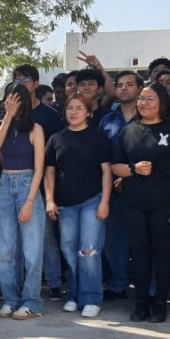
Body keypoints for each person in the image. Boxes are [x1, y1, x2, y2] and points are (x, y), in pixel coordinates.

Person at [112, 82, 170, 323]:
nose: (144, 103)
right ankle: (141, 303)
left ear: (162, 102)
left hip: (167, 203)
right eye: (141, 99)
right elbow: (115, 166)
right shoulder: (128, 130)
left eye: (150, 99)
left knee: (164, 254)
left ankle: (160, 303)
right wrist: (132, 169)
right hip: (134, 202)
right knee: (139, 254)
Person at [44, 94, 111, 318]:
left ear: (88, 112)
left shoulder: (98, 138)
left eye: (79, 108)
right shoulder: (56, 139)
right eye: (70, 108)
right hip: (65, 205)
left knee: (89, 250)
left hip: (93, 201)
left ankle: (92, 297)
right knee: (69, 250)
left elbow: (106, 171)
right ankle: (74, 295)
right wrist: (50, 199)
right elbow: (49, 172)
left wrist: (105, 201)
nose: (73, 112)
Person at [0, 84, 46, 319]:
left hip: (27, 184)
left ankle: (32, 301)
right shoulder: (2, 125)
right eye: (8, 100)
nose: (11, 104)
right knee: (5, 249)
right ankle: (11, 298)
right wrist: (8, 117)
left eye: (16, 100)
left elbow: (40, 168)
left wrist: (30, 202)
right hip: (5, 184)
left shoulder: (36, 129)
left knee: (31, 251)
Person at [12, 65, 64, 301]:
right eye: (16, 79)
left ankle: (53, 282)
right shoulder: (6, 113)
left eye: (24, 79)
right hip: (11, 181)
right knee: (16, 237)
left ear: (34, 83)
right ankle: (19, 284)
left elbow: (55, 153)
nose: (20, 83)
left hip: (43, 182)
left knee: (46, 236)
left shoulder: (49, 115)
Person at [98, 71, 142, 301]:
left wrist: (127, 175)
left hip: (143, 189)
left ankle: (148, 289)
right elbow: (100, 156)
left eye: (129, 85)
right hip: (113, 192)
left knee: (144, 241)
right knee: (114, 241)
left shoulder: (149, 117)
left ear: (140, 89)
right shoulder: (107, 120)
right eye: (120, 85)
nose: (124, 89)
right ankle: (118, 284)